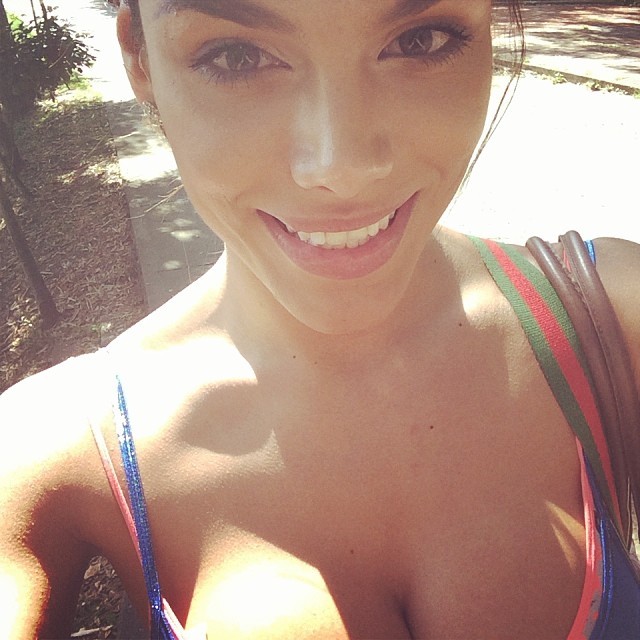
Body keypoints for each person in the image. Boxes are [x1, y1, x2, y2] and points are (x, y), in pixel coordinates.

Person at [1, 0, 639, 638]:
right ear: (140, 60)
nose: (341, 167)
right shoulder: (58, 452)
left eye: (420, 39)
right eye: (236, 57)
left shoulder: (613, 313)